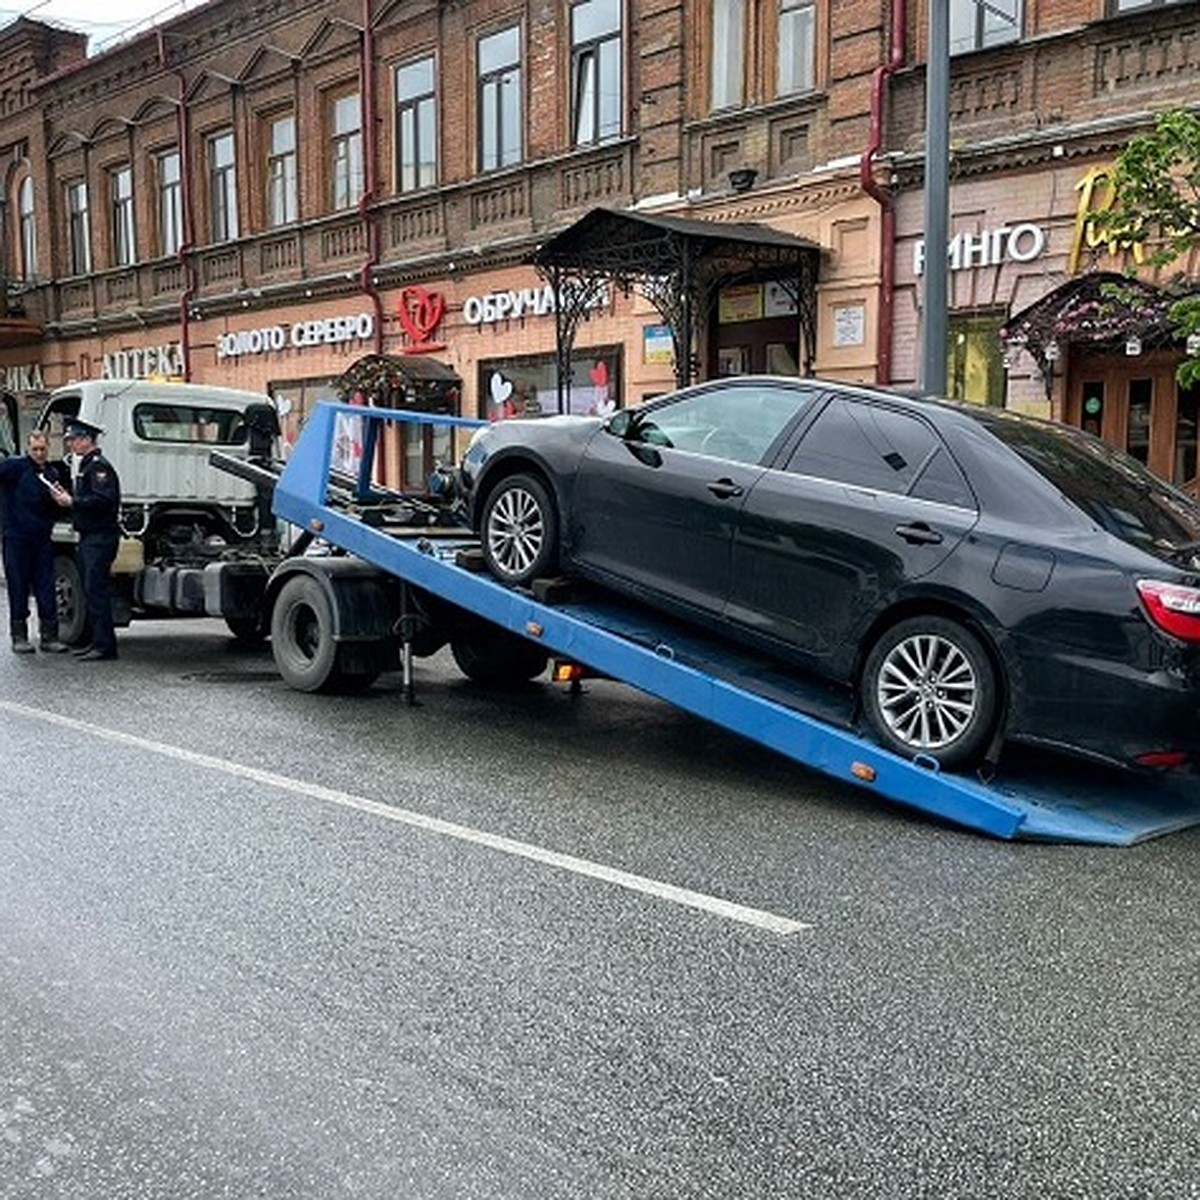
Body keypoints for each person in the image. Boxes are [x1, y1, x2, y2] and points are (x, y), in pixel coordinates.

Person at [0, 430, 73, 653]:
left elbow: (53, 506)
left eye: (42, 449)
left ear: (48, 448)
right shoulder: (15, 467)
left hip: (41, 537)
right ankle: (19, 635)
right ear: (28, 449)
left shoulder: (51, 473)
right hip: (16, 537)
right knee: (18, 586)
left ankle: (49, 636)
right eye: (35, 449)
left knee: (45, 586)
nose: (39, 453)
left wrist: (59, 502)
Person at [54, 419, 121, 661]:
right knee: (90, 590)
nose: (71, 444)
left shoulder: (98, 467)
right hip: (90, 536)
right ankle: (96, 642)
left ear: (86, 440)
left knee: (96, 591)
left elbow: (103, 500)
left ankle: (104, 646)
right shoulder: (87, 466)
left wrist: (73, 502)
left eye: (74, 439)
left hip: (100, 537)